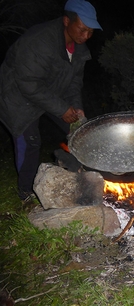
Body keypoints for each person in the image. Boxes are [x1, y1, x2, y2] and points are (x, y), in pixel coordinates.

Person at [0, 0, 102, 203]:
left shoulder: (79, 48)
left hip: (49, 93)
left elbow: (74, 82)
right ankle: (26, 192)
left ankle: (79, 177)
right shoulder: (39, 42)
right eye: (82, 30)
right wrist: (62, 108)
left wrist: (76, 107)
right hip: (18, 97)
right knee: (30, 143)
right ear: (66, 21)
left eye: (90, 32)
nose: (86, 36)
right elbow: (28, 84)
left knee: (78, 130)